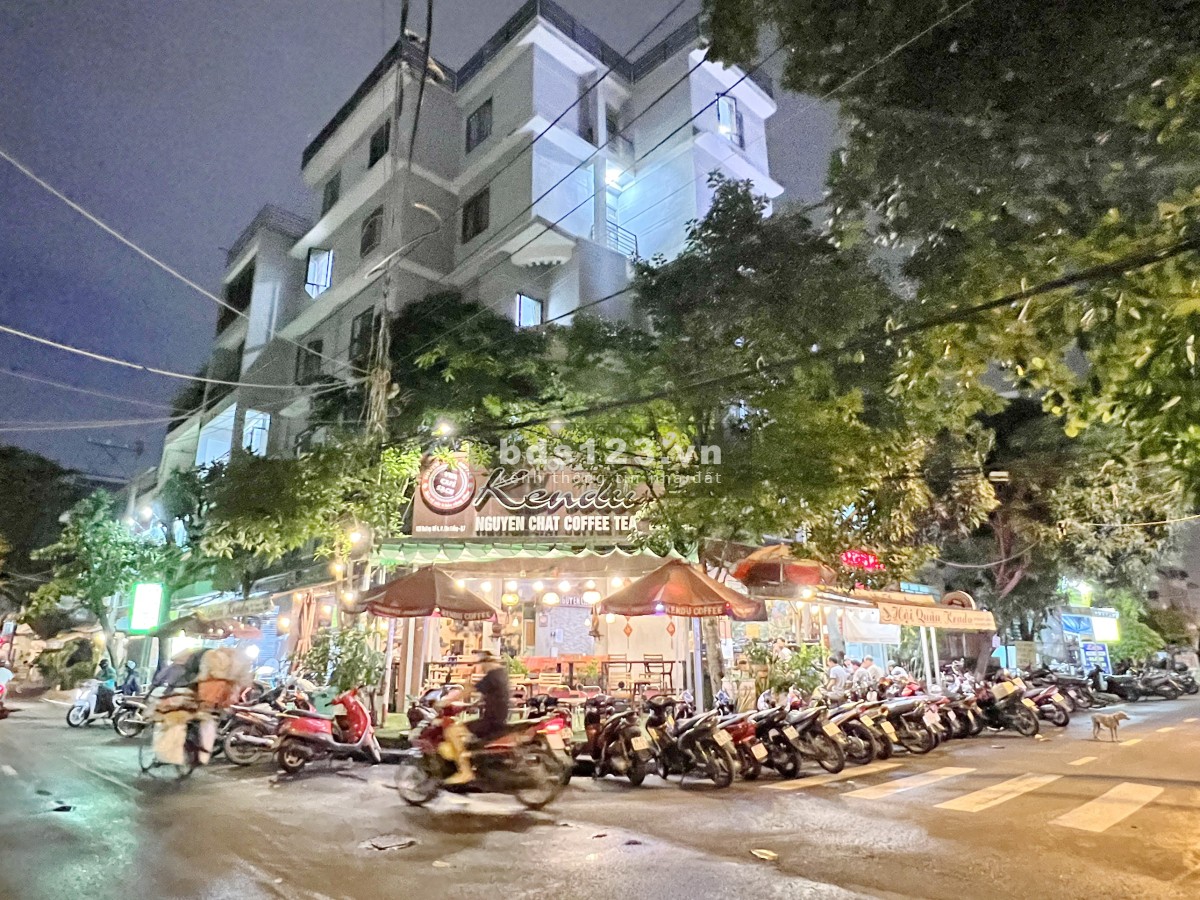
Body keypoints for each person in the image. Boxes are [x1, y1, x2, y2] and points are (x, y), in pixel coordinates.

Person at [445, 649, 510, 785]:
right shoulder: (501, 674)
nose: (481, 667)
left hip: (490, 721)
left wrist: (445, 702)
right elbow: (489, 696)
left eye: (481, 663)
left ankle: (465, 771)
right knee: (466, 735)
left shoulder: (492, 676)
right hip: (498, 718)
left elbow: (469, 690)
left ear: (487, 662)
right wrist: (471, 705)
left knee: (452, 731)